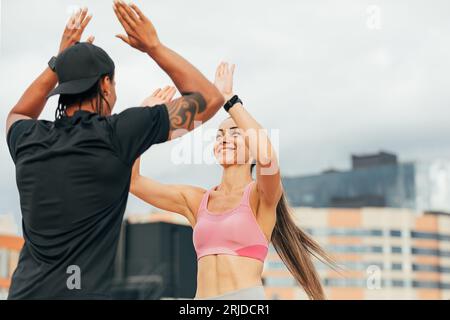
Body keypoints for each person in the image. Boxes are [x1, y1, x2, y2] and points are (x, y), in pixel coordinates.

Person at [5, 2, 224, 299]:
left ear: (62, 88)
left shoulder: (28, 139)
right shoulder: (120, 133)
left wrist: (59, 62)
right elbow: (209, 99)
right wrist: (154, 46)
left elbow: (17, 115)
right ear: (105, 85)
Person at [131, 63, 336, 300]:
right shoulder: (198, 201)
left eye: (235, 133)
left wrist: (229, 100)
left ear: (252, 151)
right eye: (220, 136)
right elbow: (134, 181)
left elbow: (267, 156)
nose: (225, 139)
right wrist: (143, 119)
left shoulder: (262, 197)